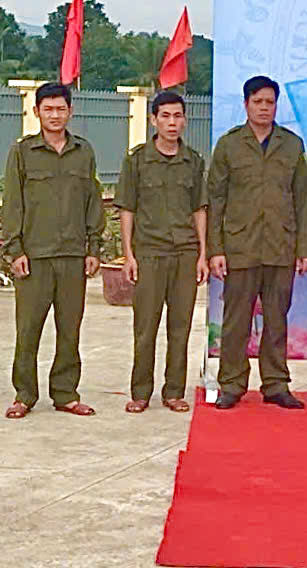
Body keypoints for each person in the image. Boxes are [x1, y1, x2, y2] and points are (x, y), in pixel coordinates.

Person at [207, 75, 307, 410]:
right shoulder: (229, 145)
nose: (264, 108)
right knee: (236, 321)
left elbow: (303, 200)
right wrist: (215, 249)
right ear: (246, 104)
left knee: (277, 320)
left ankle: (276, 384)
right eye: (258, 102)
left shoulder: (292, 145)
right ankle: (231, 384)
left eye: (270, 102)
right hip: (240, 247)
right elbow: (215, 200)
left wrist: (305, 248)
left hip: (280, 246)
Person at [2, 82, 105, 419]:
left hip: (73, 256)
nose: (55, 115)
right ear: (37, 112)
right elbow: (13, 203)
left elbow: (93, 201)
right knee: (28, 330)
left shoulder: (83, 152)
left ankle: (65, 393)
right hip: (34, 257)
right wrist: (15, 249)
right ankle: (24, 394)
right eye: (48, 109)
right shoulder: (23, 152)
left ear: (70, 112)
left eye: (61, 109)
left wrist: (93, 247)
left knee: (70, 329)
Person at [115, 91, 209, 414]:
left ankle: (174, 391)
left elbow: (199, 209)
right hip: (149, 253)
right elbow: (127, 209)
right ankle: (141, 391)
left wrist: (202, 254)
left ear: (185, 120)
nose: (172, 123)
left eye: (177, 116)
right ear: (153, 120)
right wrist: (128, 254)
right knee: (145, 327)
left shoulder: (193, 161)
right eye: (165, 116)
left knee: (180, 328)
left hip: (184, 253)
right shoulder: (137, 160)